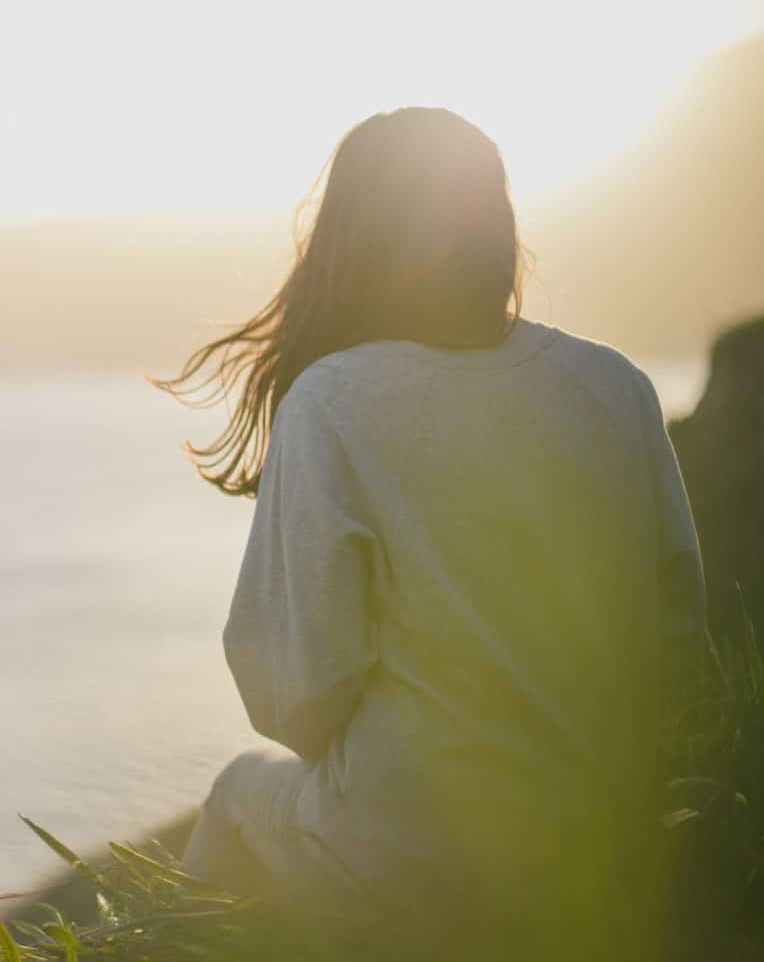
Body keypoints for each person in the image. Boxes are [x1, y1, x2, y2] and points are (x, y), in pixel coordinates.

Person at [151, 107, 707, 954]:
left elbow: (296, 692)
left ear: (351, 239)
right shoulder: (615, 385)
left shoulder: (334, 401)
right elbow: (677, 633)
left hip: (419, 856)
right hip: (607, 838)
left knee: (235, 796)